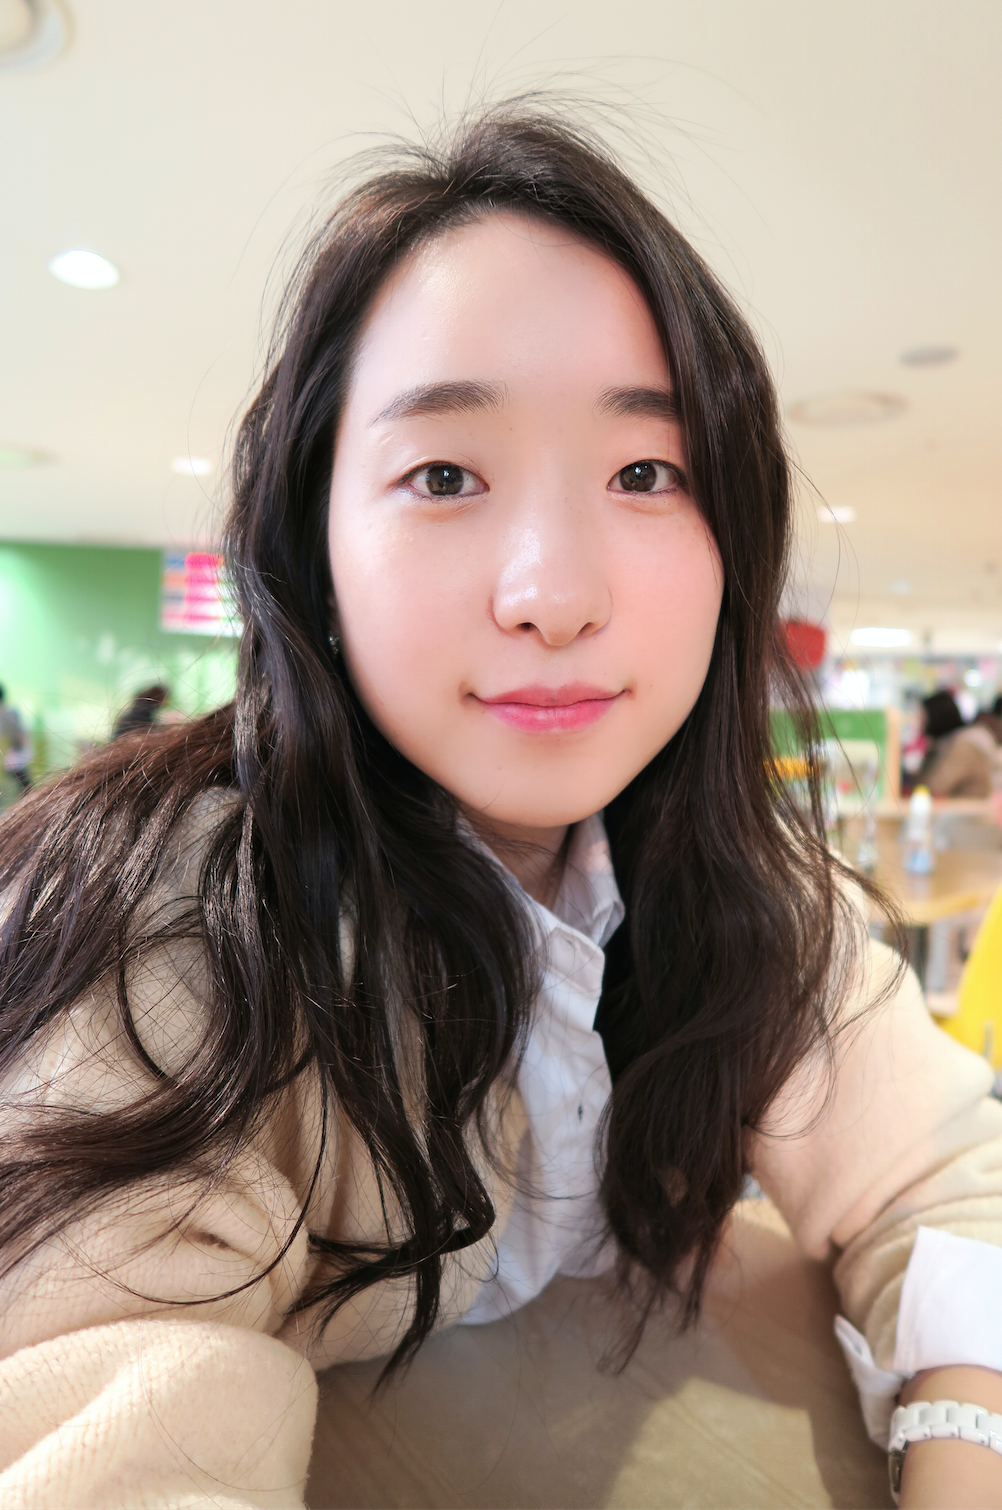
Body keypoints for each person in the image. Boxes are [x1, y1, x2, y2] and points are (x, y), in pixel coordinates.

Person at [1, 107, 1002, 1508]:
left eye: (646, 473)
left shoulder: (737, 885)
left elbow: (942, 1180)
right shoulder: (180, 937)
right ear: (312, 550)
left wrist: (957, 1441)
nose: (553, 593)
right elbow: (98, 1426)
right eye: (443, 475)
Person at [919, 688, 1002, 798]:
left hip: (970, 807)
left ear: (935, 717)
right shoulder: (957, 740)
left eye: (922, 717)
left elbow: (932, 786)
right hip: (964, 805)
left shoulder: (965, 745)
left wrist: (929, 751)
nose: (919, 723)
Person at [0, 684, 32, 792]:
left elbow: (17, 737)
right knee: (25, 787)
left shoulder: (7, 713)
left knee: (24, 787)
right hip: (13, 759)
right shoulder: (9, 712)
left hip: (13, 759)